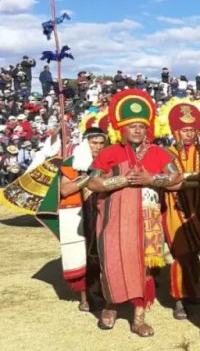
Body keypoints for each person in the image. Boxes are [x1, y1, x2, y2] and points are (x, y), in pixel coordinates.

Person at [86, 89, 182, 337]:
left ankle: (139, 317)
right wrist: (121, 181)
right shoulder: (109, 153)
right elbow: (93, 183)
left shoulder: (159, 153)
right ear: (122, 128)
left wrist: (152, 178)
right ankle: (111, 305)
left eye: (142, 126)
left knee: (144, 267)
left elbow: (177, 179)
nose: (138, 130)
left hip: (147, 221)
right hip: (114, 221)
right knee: (112, 261)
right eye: (132, 126)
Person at [157, 98, 200, 320]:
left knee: (193, 253)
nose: (188, 134)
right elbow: (168, 182)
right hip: (175, 208)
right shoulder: (165, 153)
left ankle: (191, 291)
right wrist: (196, 179)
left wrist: (184, 180)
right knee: (181, 252)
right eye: (183, 130)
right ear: (174, 131)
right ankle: (178, 299)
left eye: (192, 129)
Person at [57, 126, 108, 311]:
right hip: (80, 213)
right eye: (94, 143)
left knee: (102, 254)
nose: (98, 147)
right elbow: (65, 190)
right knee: (82, 254)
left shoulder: (108, 160)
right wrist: (88, 178)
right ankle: (84, 297)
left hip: (102, 211)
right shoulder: (72, 163)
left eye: (102, 143)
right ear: (86, 143)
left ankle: (104, 291)